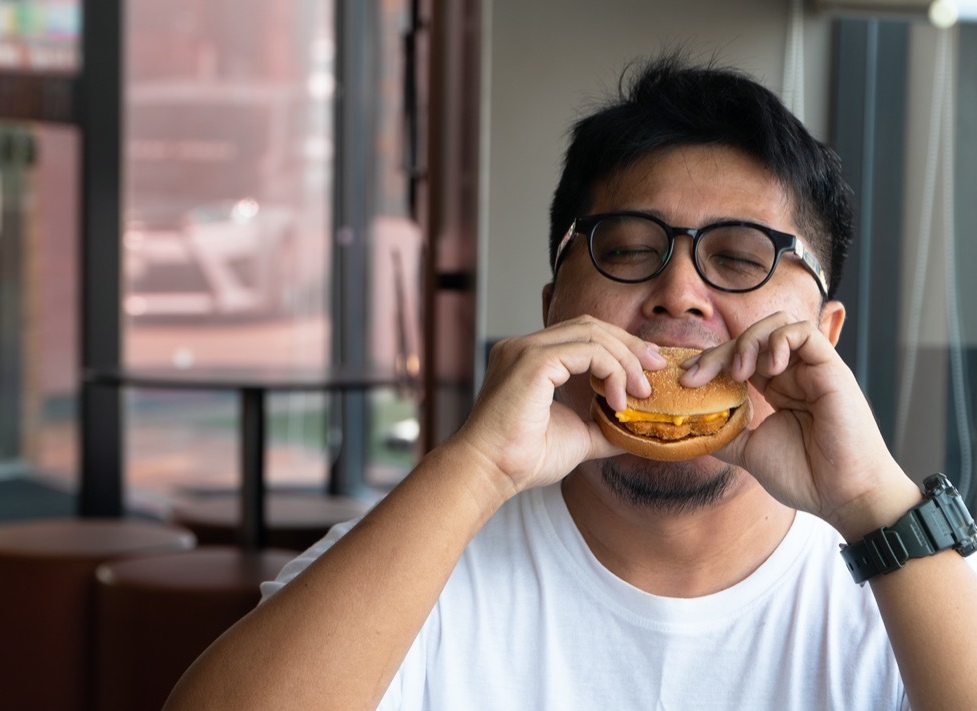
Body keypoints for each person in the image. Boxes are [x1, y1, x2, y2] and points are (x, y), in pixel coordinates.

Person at [165, 55, 977, 710]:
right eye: (628, 249)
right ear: (555, 309)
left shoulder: (922, 597)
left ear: (824, 336)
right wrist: (477, 468)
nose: (680, 292)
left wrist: (876, 505)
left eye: (738, 257)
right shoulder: (420, 567)